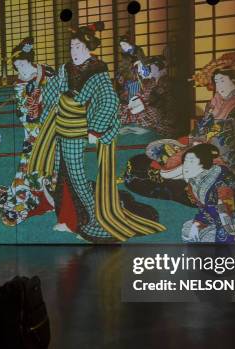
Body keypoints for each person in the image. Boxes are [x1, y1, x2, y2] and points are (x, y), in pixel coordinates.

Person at [28, 22, 165, 243]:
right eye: (72, 47)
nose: (74, 52)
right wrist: (41, 102)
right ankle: (67, 219)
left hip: (77, 129)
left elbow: (108, 100)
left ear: (89, 49)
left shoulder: (98, 70)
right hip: (60, 126)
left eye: (79, 48)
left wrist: (96, 129)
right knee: (59, 174)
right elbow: (53, 91)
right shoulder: (65, 69)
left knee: (77, 176)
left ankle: (92, 220)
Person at [0, 37, 56, 226]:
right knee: (29, 160)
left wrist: (40, 94)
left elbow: (59, 93)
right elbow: (24, 111)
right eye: (16, 65)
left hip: (54, 123)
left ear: (30, 60)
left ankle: (46, 192)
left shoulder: (47, 72)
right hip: (33, 127)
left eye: (22, 63)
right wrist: (31, 109)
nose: (19, 68)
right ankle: (29, 194)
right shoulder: (19, 83)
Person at [180, 143, 235, 243]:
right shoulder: (194, 184)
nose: (185, 166)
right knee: (188, 229)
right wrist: (197, 225)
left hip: (233, 224)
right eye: (185, 162)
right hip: (216, 220)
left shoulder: (222, 183)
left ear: (204, 162)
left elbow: (227, 219)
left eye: (191, 161)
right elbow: (206, 211)